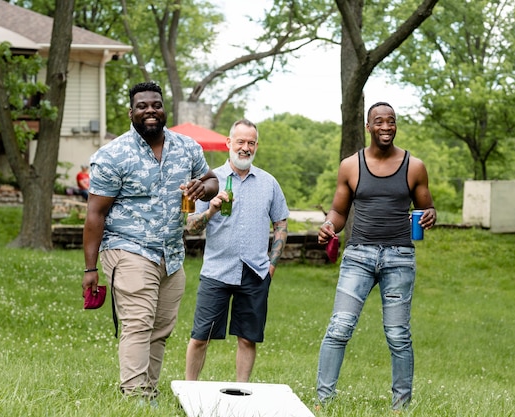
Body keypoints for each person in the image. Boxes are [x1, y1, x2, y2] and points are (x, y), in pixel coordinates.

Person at [81, 81, 219, 404]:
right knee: (138, 323)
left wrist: (205, 188)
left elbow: (211, 180)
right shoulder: (113, 155)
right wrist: (90, 269)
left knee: (160, 328)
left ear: (164, 108)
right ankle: (135, 396)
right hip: (128, 248)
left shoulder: (187, 147)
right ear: (131, 112)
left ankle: (149, 392)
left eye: (155, 104)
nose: (150, 111)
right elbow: (94, 215)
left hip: (171, 253)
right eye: (142, 106)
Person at [315, 102, 436, 411]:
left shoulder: (415, 166)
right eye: (379, 121)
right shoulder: (351, 166)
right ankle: (323, 401)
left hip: (399, 258)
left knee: (398, 335)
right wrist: (329, 225)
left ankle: (401, 406)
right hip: (359, 256)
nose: (386, 126)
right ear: (368, 127)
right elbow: (339, 211)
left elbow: (427, 206)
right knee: (339, 328)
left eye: (391, 121)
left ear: (396, 126)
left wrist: (430, 215)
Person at [184, 119, 289, 382]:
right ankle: (189, 391)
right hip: (217, 270)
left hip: (255, 272)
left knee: (247, 339)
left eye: (251, 143)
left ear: (256, 146)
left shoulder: (268, 182)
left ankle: (241, 392)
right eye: (240, 142)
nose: (245, 148)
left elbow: (281, 224)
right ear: (229, 143)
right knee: (200, 337)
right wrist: (211, 209)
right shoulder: (210, 181)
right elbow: (191, 226)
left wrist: (271, 265)